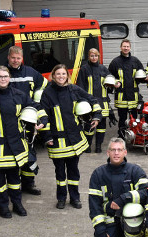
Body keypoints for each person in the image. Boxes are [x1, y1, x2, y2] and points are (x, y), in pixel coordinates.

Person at [0, 66, 45, 219]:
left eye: (5, 76)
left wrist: (43, 120)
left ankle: (17, 204)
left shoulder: (19, 95)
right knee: (0, 180)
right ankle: (2, 207)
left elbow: (34, 107)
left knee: (14, 179)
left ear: (9, 78)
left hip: (16, 144)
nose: (3, 79)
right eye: (0, 76)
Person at [39, 64, 101, 209]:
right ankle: (61, 198)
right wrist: (47, 137)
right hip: (57, 141)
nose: (61, 76)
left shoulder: (74, 89)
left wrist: (97, 116)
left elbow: (92, 100)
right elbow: (43, 115)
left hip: (74, 139)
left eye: (63, 74)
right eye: (58, 74)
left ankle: (75, 198)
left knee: (74, 171)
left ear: (67, 75)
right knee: (60, 173)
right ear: (53, 76)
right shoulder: (47, 93)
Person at [87, 138, 148, 237]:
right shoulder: (98, 174)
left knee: (133, 211)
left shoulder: (135, 171)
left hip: (133, 220)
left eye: (119, 150)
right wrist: (100, 233)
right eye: (113, 150)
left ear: (125, 152)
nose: (116, 153)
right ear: (108, 153)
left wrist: (123, 199)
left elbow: (147, 193)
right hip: (110, 220)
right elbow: (94, 207)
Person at [6, 45, 47, 195]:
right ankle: (14, 184)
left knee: (30, 150)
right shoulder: (3, 73)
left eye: (18, 58)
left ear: (21, 58)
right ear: (8, 58)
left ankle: (29, 184)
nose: (15, 61)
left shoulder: (31, 72)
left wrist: (37, 99)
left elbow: (43, 85)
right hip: (10, 118)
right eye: (13, 58)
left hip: (28, 117)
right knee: (13, 152)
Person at [76, 48, 112, 153]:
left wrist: (116, 83)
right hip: (89, 104)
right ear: (89, 57)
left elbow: (111, 80)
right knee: (88, 126)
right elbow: (80, 87)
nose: (94, 58)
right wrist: (82, 101)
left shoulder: (103, 69)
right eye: (92, 56)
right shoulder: (84, 69)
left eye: (96, 56)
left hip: (102, 103)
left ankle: (98, 146)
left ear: (98, 57)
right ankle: (88, 145)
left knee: (101, 127)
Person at [108, 39, 145, 138]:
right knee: (122, 119)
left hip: (133, 97)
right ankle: (122, 137)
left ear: (130, 48)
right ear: (121, 47)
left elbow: (142, 73)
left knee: (134, 119)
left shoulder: (135, 61)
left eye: (127, 46)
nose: (126, 48)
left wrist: (147, 77)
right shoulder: (115, 62)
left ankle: (134, 137)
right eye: (124, 46)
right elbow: (109, 76)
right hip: (121, 97)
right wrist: (114, 83)